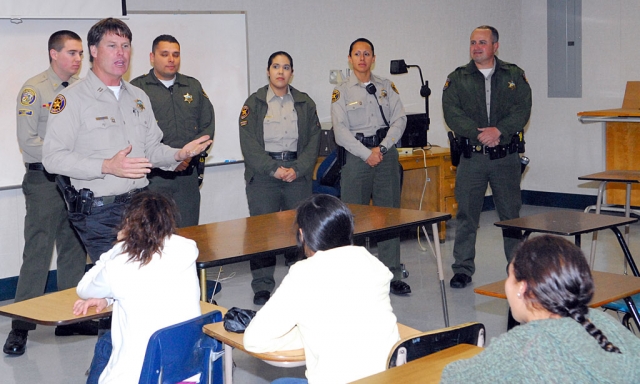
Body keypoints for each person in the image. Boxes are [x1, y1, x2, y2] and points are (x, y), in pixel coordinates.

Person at [42, 18, 212, 263]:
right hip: (100, 212)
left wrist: (178, 155)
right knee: (117, 284)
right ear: (93, 50)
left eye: (125, 46)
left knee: (147, 282)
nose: (121, 53)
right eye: (112, 46)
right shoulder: (72, 99)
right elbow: (52, 158)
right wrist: (107, 166)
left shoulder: (138, 96)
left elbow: (151, 149)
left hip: (140, 206)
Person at [3, 30, 96, 357]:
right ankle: (20, 327)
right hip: (44, 182)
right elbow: (29, 142)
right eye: (72, 53)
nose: (78, 59)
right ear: (53, 54)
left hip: (75, 181)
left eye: (81, 54)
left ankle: (71, 321)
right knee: (39, 252)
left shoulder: (83, 91)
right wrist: (69, 157)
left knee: (74, 249)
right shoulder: (34, 90)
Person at [244, 194, 400, 384]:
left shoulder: (303, 274)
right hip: (387, 378)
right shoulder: (373, 264)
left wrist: (305, 332)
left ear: (302, 235)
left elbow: (254, 339)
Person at [441, 235, 640, 382]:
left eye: (509, 276)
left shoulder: (520, 347)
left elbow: (453, 379)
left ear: (522, 287)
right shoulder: (601, 321)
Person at [72, 191, 201, 383]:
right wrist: (108, 297)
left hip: (142, 374)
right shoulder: (186, 248)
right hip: (186, 370)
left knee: (105, 344)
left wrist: (116, 248)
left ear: (128, 223)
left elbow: (83, 289)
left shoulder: (120, 263)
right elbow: (150, 286)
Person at [442, 25, 532, 288]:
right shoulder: (457, 78)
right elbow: (452, 113)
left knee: (511, 216)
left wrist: (499, 132)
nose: (476, 47)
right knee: (467, 215)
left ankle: (517, 270)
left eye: (482, 42)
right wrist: (479, 134)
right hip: (473, 158)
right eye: (472, 42)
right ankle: (462, 268)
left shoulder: (514, 75)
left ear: (495, 46)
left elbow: (522, 110)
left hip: (505, 158)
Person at [239, 51, 321, 305]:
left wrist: (298, 168)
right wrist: (274, 169)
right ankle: (262, 285)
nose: (280, 72)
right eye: (276, 66)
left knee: (300, 230)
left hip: (297, 172)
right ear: (268, 71)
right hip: (265, 174)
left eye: (286, 67)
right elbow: (249, 144)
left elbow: (314, 141)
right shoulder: (253, 103)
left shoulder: (305, 102)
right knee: (262, 232)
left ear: (291, 73)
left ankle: (299, 281)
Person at [331, 38, 410, 296]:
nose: (362, 58)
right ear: (350, 59)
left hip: (385, 156)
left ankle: (392, 273)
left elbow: (400, 119)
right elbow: (340, 132)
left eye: (367, 53)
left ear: (373, 58)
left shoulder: (387, 87)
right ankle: (354, 278)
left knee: (390, 217)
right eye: (357, 54)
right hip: (357, 158)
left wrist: (383, 149)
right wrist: (367, 153)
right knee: (353, 219)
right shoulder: (341, 92)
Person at [130, 34, 215, 227]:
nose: (171, 59)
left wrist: (187, 157)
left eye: (176, 54)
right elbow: (132, 134)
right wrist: (169, 160)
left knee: (189, 232)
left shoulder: (192, 86)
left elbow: (207, 125)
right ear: (152, 57)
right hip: (153, 178)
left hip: (187, 176)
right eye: (165, 54)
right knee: (154, 234)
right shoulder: (137, 89)